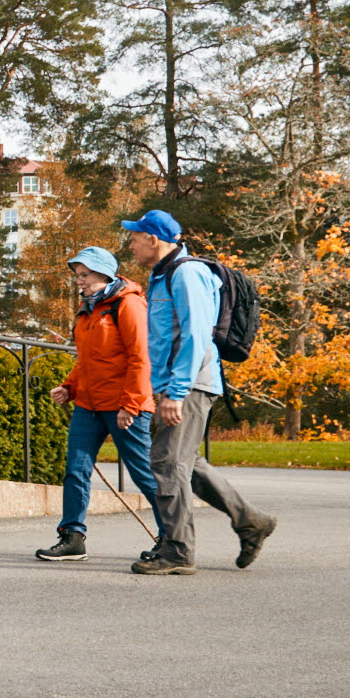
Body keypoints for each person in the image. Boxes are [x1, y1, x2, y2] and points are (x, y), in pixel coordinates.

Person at [124, 207, 277, 575]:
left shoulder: (186, 273)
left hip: (190, 383)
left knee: (166, 462)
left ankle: (177, 551)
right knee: (186, 463)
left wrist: (177, 392)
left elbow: (196, 336)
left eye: (134, 238)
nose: (130, 246)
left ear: (153, 239)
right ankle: (251, 521)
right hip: (181, 382)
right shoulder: (163, 274)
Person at [38, 245, 160, 561]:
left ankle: (173, 537)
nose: (80, 280)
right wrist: (69, 387)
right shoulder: (87, 309)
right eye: (78, 275)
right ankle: (72, 538)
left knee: (143, 473)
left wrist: (131, 404)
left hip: (124, 406)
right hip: (89, 406)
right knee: (75, 471)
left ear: (104, 274)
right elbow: (88, 361)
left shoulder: (128, 304)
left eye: (86, 274)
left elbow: (140, 358)